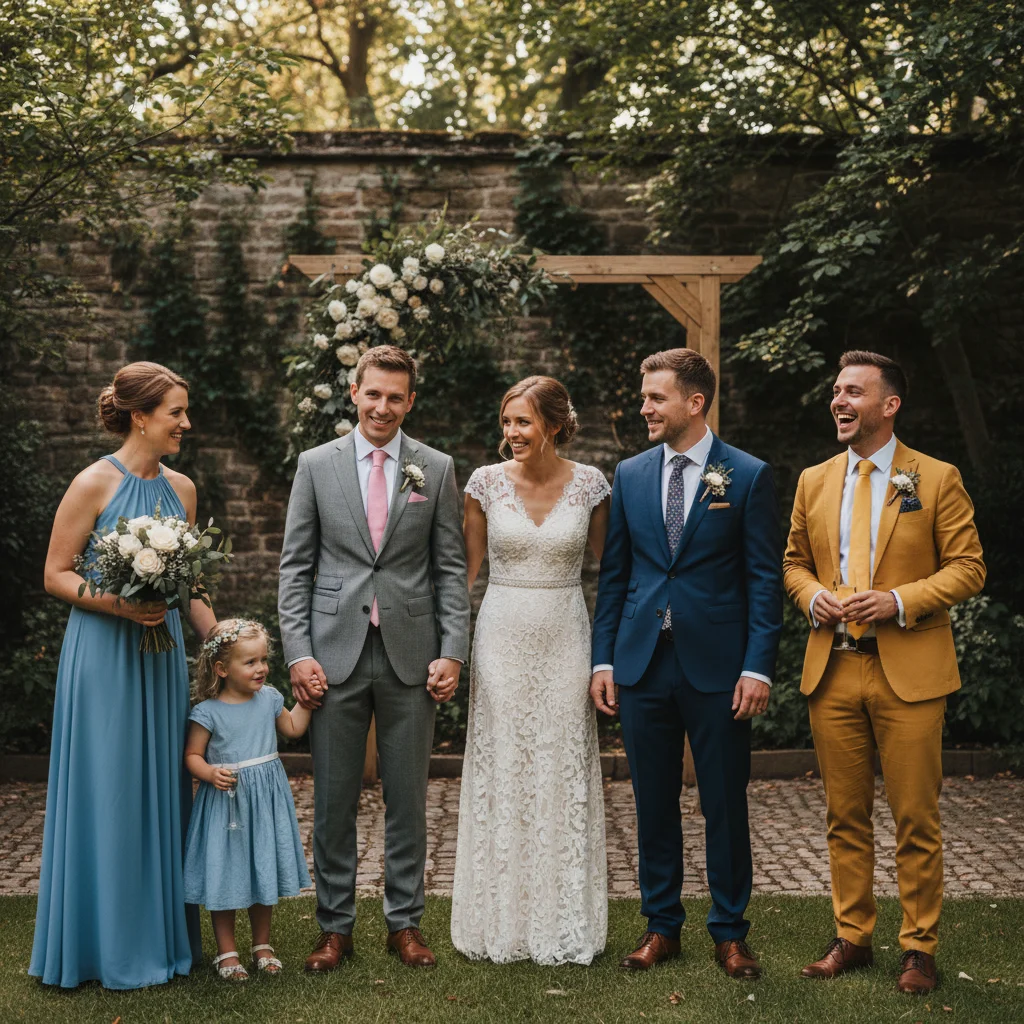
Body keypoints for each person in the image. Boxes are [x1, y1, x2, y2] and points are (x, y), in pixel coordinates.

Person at [783, 350, 985, 995]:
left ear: (888, 405)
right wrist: (811, 595)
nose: (838, 401)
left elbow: (968, 566)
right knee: (844, 816)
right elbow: (792, 562)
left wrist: (899, 600)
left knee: (915, 818)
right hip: (834, 668)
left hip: (910, 674)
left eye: (853, 392)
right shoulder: (814, 480)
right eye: (836, 391)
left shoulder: (936, 476)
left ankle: (919, 947)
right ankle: (853, 937)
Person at [591, 348, 782, 978]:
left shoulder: (747, 475)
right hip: (643, 664)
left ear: (694, 403)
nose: (643, 407)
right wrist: (604, 660)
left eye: (655, 398)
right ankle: (660, 926)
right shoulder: (632, 473)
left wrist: (757, 667)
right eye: (644, 397)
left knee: (725, 802)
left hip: (719, 668)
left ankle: (730, 932)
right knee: (651, 801)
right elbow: (615, 575)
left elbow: (762, 579)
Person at [279, 345, 470, 970]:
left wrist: (453, 653)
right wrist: (298, 654)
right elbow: (296, 569)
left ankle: (404, 925)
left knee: (408, 800)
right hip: (332, 658)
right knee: (333, 800)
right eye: (373, 394)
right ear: (354, 392)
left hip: (410, 657)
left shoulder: (435, 468)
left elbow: (449, 568)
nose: (383, 406)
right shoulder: (316, 465)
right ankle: (334, 928)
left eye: (396, 397)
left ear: (410, 401)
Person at [30, 361, 216, 989]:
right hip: (104, 655)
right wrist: (118, 604)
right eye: (176, 414)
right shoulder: (92, 483)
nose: (185, 424)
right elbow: (56, 573)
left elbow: (188, 586)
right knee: (108, 789)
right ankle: (101, 947)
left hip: (160, 658)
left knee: (163, 789)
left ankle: (163, 941)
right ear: (141, 416)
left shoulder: (182, 489)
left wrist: (220, 642)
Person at [452, 376, 611, 965]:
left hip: (567, 631)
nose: (512, 433)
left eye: (522, 422)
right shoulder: (484, 485)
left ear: (553, 424)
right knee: (506, 764)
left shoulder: (592, 485)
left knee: (561, 763)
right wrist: (445, 645)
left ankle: (562, 919)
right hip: (501, 633)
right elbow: (466, 573)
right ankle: (501, 918)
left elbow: (613, 573)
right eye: (506, 422)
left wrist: (610, 654)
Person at [183, 618, 313, 981]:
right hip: (226, 804)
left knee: (261, 868)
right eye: (250, 662)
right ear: (222, 669)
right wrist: (209, 773)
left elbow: (292, 728)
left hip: (265, 802)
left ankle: (262, 946)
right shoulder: (208, 711)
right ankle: (226, 952)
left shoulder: (269, 698)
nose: (261, 669)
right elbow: (192, 756)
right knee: (225, 873)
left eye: (263, 660)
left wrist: (308, 700)